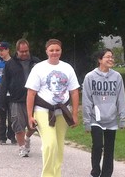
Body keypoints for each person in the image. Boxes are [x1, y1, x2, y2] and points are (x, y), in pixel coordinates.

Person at [25, 38, 80, 177]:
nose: (54, 53)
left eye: (57, 50)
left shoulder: (67, 68)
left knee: (59, 146)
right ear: (46, 51)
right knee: (50, 144)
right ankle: (48, 175)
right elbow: (31, 93)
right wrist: (30, 116)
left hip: (62, 111)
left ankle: (57, 174)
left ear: (61, 51)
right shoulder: (39, 68)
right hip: (43, 111)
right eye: (51, 50)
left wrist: (74, 114)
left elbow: (74, 91)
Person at [82, 48, 125, 177]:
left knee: (109, 149)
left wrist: (122, 118)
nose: (111, 59)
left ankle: (107, 174)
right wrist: (86, 121)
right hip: (95, 119)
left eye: (112, 57)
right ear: (100, 60)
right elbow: (86, 99)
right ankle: (95, 171)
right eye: (107, 57)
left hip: (111, 119)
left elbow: (121, 98)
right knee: (97, 145)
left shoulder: (117, 77)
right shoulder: (90, 77)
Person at [0, 38, 40, 157]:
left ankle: (27, 138)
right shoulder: (10, 64)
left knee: (35, 125)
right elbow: (4, 84)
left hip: (35, 99)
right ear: (17, 51)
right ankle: (22, 147)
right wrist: (1, 102)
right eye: (22, 51)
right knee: (18, 125)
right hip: (17, 99)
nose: (24, 53)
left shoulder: (36, 62)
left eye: (26, 51)